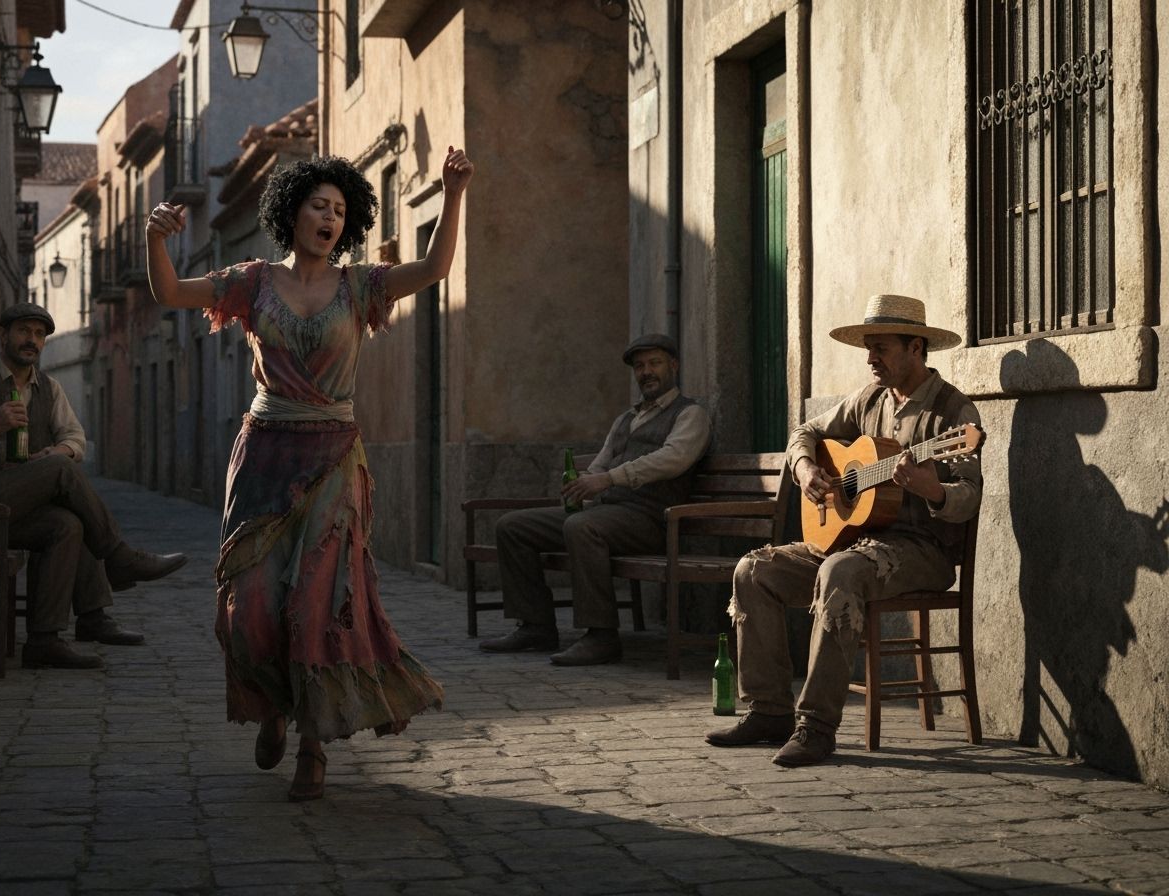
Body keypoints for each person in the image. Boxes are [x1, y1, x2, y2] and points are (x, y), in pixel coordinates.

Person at [145, 147, 474, 801]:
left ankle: (313, 746)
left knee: (316, 606)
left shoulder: (361, 287)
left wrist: (453, 193)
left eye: (340, 210)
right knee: (252, 613)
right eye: (318, 205)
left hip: (333, 460)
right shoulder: (251, 281)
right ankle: (271, 708)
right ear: (292, 212)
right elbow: (171, 292)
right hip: (265, 457)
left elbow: (436, 267)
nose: (328, 216)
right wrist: (156, 239)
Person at [705, 294, 982, 766]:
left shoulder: (955, 414)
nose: (871, 359)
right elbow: (803, 432)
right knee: (753, 571)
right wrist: (807, 469)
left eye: (882, 348)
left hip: (921, 551)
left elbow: (969, 496)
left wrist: (931, 490)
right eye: (868, 349)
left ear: (916, 347)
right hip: (851, 541)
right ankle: (770, 710)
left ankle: (815, 727)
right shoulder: (867, 400)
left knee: (839, 572)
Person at [0, 307, 188, 670]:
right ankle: (120, 557)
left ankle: (44, 641)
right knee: (61, 470)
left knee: (65, 524)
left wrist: (28, 463)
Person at [478, 334, 712, 666]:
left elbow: (674, 458)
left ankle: (601, 636)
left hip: (653, 518)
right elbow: (602, 462)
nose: (647, 372)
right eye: (640, 366)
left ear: (673, 365)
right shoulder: (627, 419)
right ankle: (535, 626)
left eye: (655, 363)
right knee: (513, 526)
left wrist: (608, 479)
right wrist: (583, 483)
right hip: (608, 513)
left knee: (582, 527)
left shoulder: (690, 414)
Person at [0, 302, 146, 647]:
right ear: (3, 335)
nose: (31, 340)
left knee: (71, 518)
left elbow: (75, 438)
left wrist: (56, 452)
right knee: (65, 484)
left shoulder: (50, 389)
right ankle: (118, 559)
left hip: (28, 504)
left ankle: (84, 621)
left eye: (38, 335)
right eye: (23, 331)